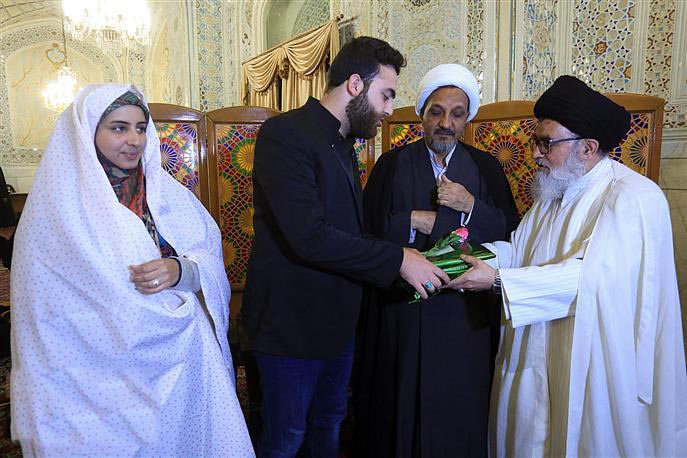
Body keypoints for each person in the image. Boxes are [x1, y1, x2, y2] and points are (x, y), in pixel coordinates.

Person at [10, 84, 254, 456]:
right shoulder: (56, 210)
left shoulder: (168, 194)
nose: (134, 140)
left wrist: (180, 270)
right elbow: (41, 310)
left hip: (181, 358)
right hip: (97, 372)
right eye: (118, 128)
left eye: (141, 127)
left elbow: (204, 257)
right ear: (88, 131)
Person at [450, 75, 687, 457]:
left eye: (547, 143)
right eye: (536, 141)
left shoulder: (632, 197)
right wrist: (474, 258)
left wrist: (498, 282)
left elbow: (591, 278)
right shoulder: (553, 192)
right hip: (535, 347)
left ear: (588, 148)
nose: (535, 154)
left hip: (594, 358)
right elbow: (520, 250)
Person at [242, 37, 449, 457]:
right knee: (285, 439)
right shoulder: (285, 134)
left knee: (328, 429)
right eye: (386, 95)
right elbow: (309, 237)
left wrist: (414, 256)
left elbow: (350, 233)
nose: (390, 110)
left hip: (337, 330)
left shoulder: (343, 144)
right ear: (355, 84)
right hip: (290, 332)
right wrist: (398, 260)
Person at [354, 63, 519, 457]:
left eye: (457, 114)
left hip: (466, 319)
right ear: (421, 115)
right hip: (405, 313)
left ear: (467, 120)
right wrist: (413, 221)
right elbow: (366, 232)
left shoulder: (486, 167)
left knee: (459, 411)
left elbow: (511, 231)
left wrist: (470, 205)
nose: (446, 123)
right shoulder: (392, 165)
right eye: (436, 112)